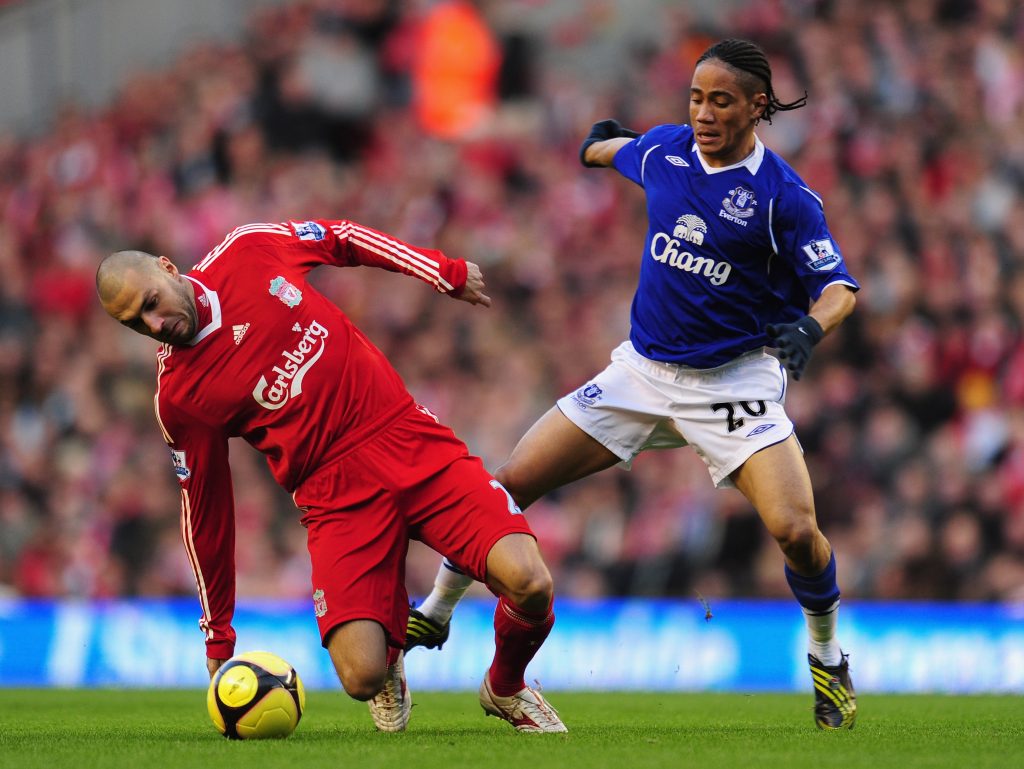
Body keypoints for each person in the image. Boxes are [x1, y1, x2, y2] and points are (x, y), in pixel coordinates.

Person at [409, 38, 859, 730]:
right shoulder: (665, 151)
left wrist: (812, 329)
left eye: (721, 100)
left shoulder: (784, 198)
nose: (704, 112)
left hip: (732, 383)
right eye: (696, 97)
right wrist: (594, 144)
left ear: (757, 107)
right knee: (507, 483)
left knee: (797, 530)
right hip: (641, 375)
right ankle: (440, 616)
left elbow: (838, 287)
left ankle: (828, 662)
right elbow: (610, 148)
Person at [95, 219, 566, 733]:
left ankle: (504, 686)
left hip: (407, 440)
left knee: (531, 583)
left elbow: (342, 238)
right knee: (361, 676)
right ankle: (388, 657)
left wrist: (440, 269)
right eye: (136, 323)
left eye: (150, 302)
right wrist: (218, 636)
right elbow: (207, 512)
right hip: (334, 496)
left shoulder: (248, 251)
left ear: (167, 269)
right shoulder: (180, 397)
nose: (154, 324)